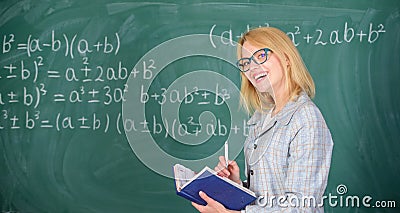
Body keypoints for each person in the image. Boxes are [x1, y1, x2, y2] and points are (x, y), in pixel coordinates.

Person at [192, 27, 334, 212]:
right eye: (246, 63)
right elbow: (267, 195)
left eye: (260, 56)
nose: (252, 68)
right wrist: (237, 186)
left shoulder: (305, 118)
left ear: (286, 58)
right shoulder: (262, 119)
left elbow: (301, 206)